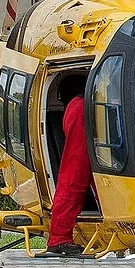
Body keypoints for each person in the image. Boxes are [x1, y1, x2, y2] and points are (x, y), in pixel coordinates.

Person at [46, 75, 91, 256]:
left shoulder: (75, 105)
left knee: (73, 179)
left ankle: (59, 236)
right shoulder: (80, 106)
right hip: (81, 125)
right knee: (74, 179)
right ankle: (59, 238)